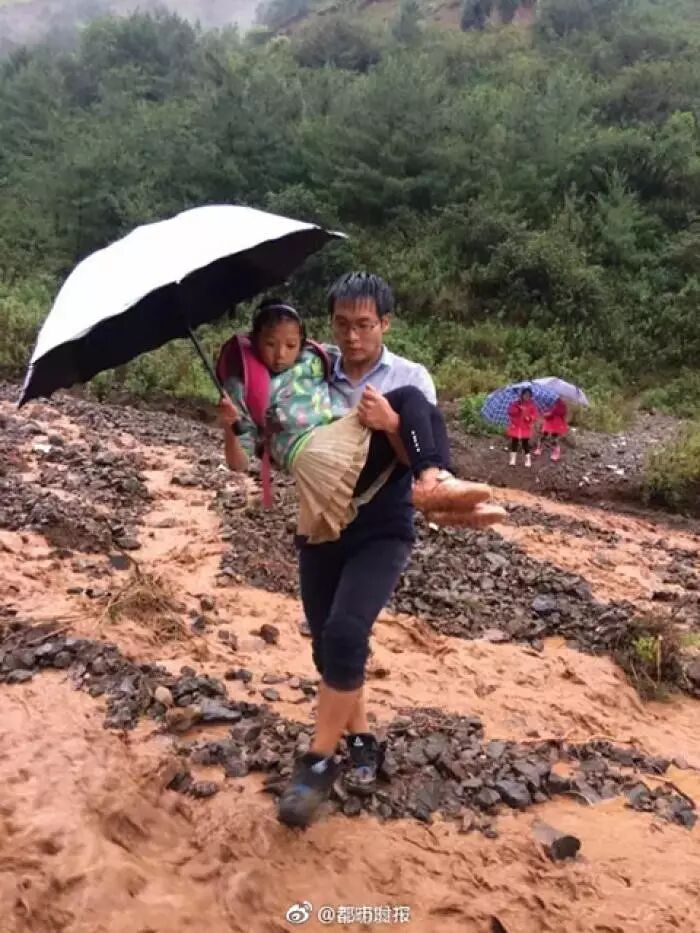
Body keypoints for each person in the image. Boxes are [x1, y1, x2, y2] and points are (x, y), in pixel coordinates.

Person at [221, 273, 503, 828]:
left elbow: (410, 436)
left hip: (382, 522)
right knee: (328, 651)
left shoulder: (408, 375)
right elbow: (245, 460)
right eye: (343, 325)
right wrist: (234, 422)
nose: (352, 337)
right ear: (330, 325)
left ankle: (317, 763)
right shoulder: (314, 366)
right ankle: (362, 739)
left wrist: (392, 424)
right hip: (321, 522)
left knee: (349, 632)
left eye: (365, 325)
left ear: (385, 324)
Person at [218, 299, 495, 543]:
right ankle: (434, 486)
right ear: (255, 340)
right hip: (314, 460)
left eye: (290, 345)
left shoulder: (313, 358)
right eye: (270, 344)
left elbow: (353, 356)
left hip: (342, 438)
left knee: (416, 401)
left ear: (301, 341)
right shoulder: (243, 386)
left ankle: (438, 484)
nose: (280, 354)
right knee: (411, 401)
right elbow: (238, 464)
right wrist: (230, 427)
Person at [506, 387, 538, 468]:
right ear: (522, 395)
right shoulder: (516, 403)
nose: (527, 396)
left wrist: (529, 418)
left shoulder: (531, 405)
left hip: (525, 427)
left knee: (525, 443)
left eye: (529, 395)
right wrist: (518, 409)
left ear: (530, 396)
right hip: (516, 426)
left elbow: (534, 415)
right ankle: (513, 459)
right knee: (514, 441)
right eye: (525, 394)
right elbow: (510, 412)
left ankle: (528, 459)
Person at [535, 397, 568, 462]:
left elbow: (558, 413)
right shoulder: (550, 402)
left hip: (556, 423)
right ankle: (539, 448)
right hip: (549, 422)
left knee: (553, 438)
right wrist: (546, 413)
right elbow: (547, 411)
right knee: (544, 435)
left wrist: (547, 414)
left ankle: (555, 453)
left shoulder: (561, 404)